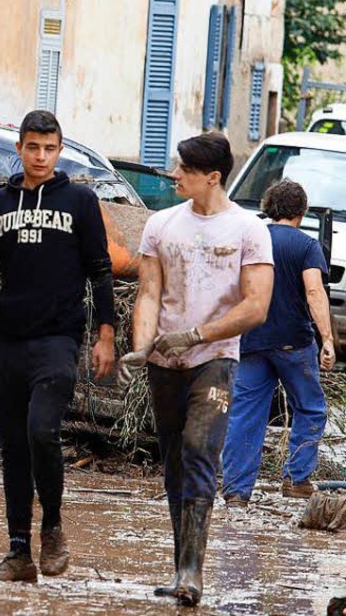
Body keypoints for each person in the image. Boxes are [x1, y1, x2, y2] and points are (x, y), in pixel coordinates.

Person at [0, 110, 116, 582]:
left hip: (58, 338)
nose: (40, 156)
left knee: (42, 432)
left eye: (49, 148)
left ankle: (52, 526)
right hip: (9, 340)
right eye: (32, 147)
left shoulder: (79, 200)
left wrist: (106, 334)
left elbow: (100, 268)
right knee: (14, 447)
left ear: (59, 151)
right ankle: (19, 552)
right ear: (19, 148)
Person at [120, 132, 273, 607]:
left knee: (199, 449)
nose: (174, 175)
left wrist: (199, 335)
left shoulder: (249, 230)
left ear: (213, 177)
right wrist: (139, 348)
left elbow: (256, 306)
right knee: (174, 464)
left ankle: (193, 572)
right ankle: (180, 565)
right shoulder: (162, 224)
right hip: (165, 362)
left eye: (183, 169)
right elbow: (148, 293)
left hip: (216, 360)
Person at [222, 179, 334, 506]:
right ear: (301, 211)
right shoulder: (306, 246)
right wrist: (326, 339)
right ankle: (297, 480)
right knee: (311, 408)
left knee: (245, 414)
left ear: (269, 206)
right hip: (294, 344)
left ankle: (236, 492)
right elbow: (314, 292)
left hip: (251, 340)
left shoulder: (251, 240)